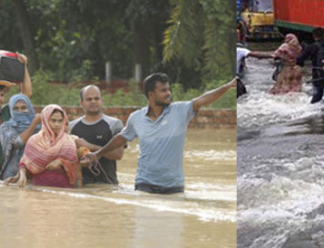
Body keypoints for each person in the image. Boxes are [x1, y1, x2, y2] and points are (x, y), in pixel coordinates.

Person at [81, 74, 237, 194]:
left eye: (168, 89)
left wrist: (228, 86)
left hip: (173, 186)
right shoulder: (136, 118)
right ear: (151, 95)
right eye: (163, 90)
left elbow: (204, 99)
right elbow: (120, 138)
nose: (168, 93)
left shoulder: (180, 111)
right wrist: (98, 154)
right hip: (144, 185)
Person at [7, 104, 82, 189]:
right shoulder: (34, 141)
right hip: (38, 188)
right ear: (45, 120)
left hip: (63, 188)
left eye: (60, 121)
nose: (57, 124)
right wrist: (22, 175)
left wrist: (61, 162)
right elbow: (25, 163)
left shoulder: (68, 141)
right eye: (53, 121)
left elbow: (75, 166)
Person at [69, 85, 125, 185]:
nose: (93, 101)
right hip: (81, 185)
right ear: (81, 103)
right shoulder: (71, 127)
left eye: (96, 98)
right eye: (89, 99)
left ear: (102, 101)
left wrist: (90, 146)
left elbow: (118, 155)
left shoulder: (114, 124)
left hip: (107, 185)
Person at [0, 94, 41, 180]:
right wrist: (33, 124)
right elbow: (17, 142)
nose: (20, 111)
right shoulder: (6, 127)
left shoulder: (41, 127)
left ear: (29, 108)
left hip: (34, 174)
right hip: (12, 175)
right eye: (16, 109)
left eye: (23, 108)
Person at [297, 27, 324, 103]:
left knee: (317, 95)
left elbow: (300, 59)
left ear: (314, 36)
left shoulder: (312, 47)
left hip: (317, 74)